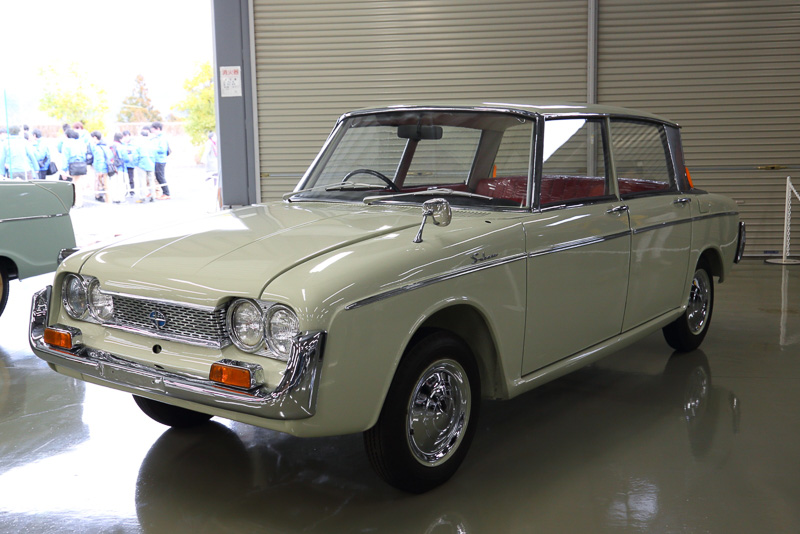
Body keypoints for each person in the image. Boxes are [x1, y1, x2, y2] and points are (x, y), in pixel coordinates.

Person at [61, 129, 89, 206]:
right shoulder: (81, 143)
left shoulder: (66, 144)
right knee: (78, 183)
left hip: (72, 165)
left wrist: (64, 170)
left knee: (75, 184)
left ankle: (76, 202)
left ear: (67, 136)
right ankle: (78, 202)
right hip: (81, 165)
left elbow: (65, 158)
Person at [135, 127, 156, 202]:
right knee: (151, 181)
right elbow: (155, 154)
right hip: (151, 164)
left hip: (142, 164)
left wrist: (136, 163)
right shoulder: (152, 143)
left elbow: (135, 155)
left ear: (141, 135)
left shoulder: (139, 144)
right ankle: (153, 196)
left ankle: (142, 197)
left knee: (142, 181)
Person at [150, 121, 171, 199]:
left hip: (160, 160)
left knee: (160, 177)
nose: (153, 132)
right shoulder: (157, 138)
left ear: (158, 129)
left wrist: (152, 149)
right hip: (157, 160)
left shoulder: (162, 138)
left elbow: (162, 149)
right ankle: (164, 193)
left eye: (153, 130)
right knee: (158, 177)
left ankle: (167, 193)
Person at [89, 131, 111, 203]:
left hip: (101, 169)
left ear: (95, 137)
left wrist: (99, 170)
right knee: (105, 184)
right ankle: (107, 200)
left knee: (105, 185)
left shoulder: (97, 148)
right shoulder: (105, 146)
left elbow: (100, 160)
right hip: (106, 168)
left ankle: (108, 201)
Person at [118, 130, 138, 196]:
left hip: (130, 164)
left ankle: (132, 191)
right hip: (123, 165)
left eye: (127, 136)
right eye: (124, 136)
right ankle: (125, 191)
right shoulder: (121, 145)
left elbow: (135, 154)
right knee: (123, 179)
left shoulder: (133, 145)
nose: (126, 138)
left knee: (131, 178)